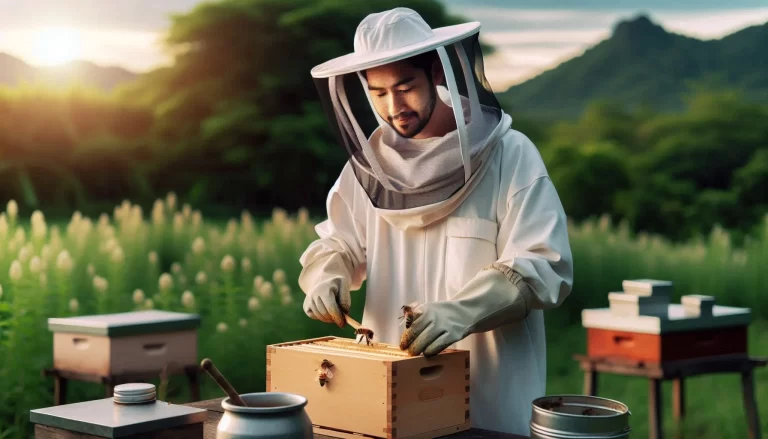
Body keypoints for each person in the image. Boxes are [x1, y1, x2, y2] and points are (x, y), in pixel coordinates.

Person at [298, 7, 573, 435]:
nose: (394, 106)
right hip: (390, 399)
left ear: (438, 73)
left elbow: (546, 264)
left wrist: (463, 312)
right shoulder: (365, 170)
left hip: (489, 396)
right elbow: (338, 243)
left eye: (406, 87)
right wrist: (326, 275)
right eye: (379, 93)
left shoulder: (510, 155)